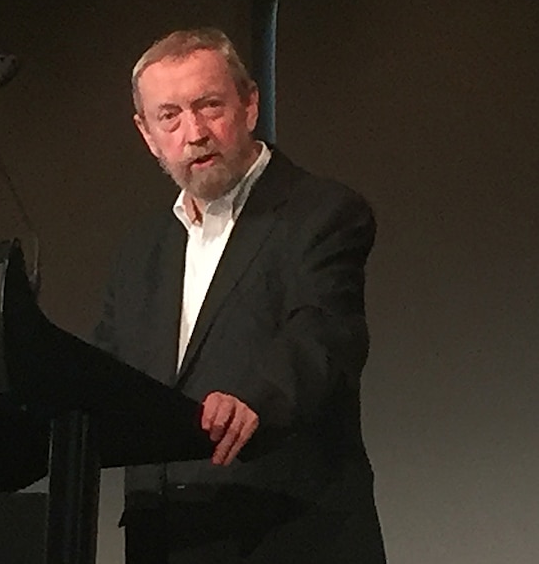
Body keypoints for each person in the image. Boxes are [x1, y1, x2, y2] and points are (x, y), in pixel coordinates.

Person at [93, 28, 387, 563]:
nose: (195, 132)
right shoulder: (141, 250)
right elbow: (98, 383)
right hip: (168, 537)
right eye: (171, 116)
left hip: (287, 533)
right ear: (147, 133)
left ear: (250, 104)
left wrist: (257, 395)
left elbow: (322, 330)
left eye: (210, 106)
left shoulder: (321, 213)